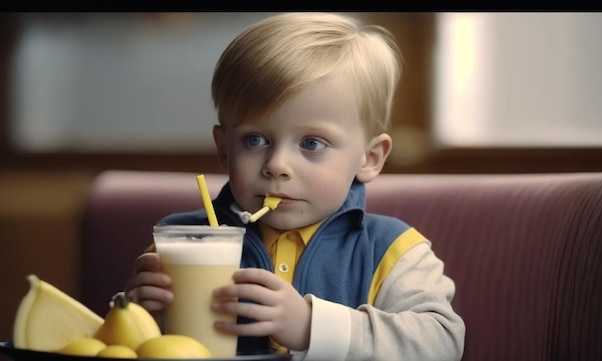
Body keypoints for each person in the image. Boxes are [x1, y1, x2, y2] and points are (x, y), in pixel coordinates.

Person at [124, 12, 465, 361]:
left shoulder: (393, 251)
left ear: (370, 158)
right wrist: (139, 317)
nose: (277, 166)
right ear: (224, 150)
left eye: (312, 144)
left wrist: (311, 326)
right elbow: (126, 344)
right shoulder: (181, 241)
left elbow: (442, 345)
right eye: (255, 139)